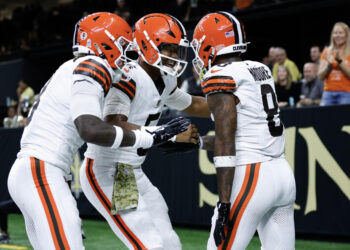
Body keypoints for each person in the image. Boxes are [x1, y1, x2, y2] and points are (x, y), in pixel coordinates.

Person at [7, 12, 188, 250]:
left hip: (45, 170)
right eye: (123, 45)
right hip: (70, 170)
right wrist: (154, 134)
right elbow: (90, 130)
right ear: (106, 44)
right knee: (150, 244)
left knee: (166, 242)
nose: (127, 54)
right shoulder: (94, 65)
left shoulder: (77, 67)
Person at [79, 13, 210, 250]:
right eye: (168, 48)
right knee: (150, 245)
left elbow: (192, 103)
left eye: (176, 50)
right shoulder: (128, 76)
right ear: (147, 46)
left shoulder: (165, 79)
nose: (173, 56)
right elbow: (114, 124)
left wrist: (229, 107)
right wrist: (167, 133)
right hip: (109, 170)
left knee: (170, 243)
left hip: (130, 171)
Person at [191, 11, 296, 249]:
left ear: (210, 43)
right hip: (282, 174)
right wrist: (198, 142)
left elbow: (226, 140)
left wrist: (224, 203)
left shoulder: (220, 74)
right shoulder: (260, 68)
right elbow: (244, 129)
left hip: (252, 175)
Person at [318, 22, 350, 106]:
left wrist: (339, 61)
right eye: (335, 33)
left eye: (340, 33)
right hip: (328, 93)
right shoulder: (327, 52)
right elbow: (320, 76)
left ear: (346, 35)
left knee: (344, 119)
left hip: (346, 93)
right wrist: (329, 64)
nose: (337, 35)